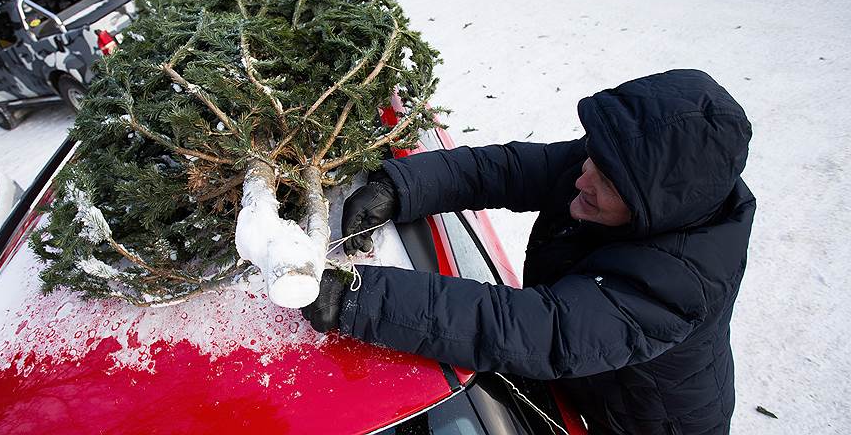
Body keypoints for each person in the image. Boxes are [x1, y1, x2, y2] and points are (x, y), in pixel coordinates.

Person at [302, 69, 755, 435]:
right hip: (590, 382)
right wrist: (400, 188)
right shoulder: (620, 169)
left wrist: (356, 295)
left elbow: (542, 329)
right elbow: (503, 170)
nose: (583, 177)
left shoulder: (681, 282)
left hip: (645, 421)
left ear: (654, 210)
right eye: (593, 156)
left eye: (607, 181)